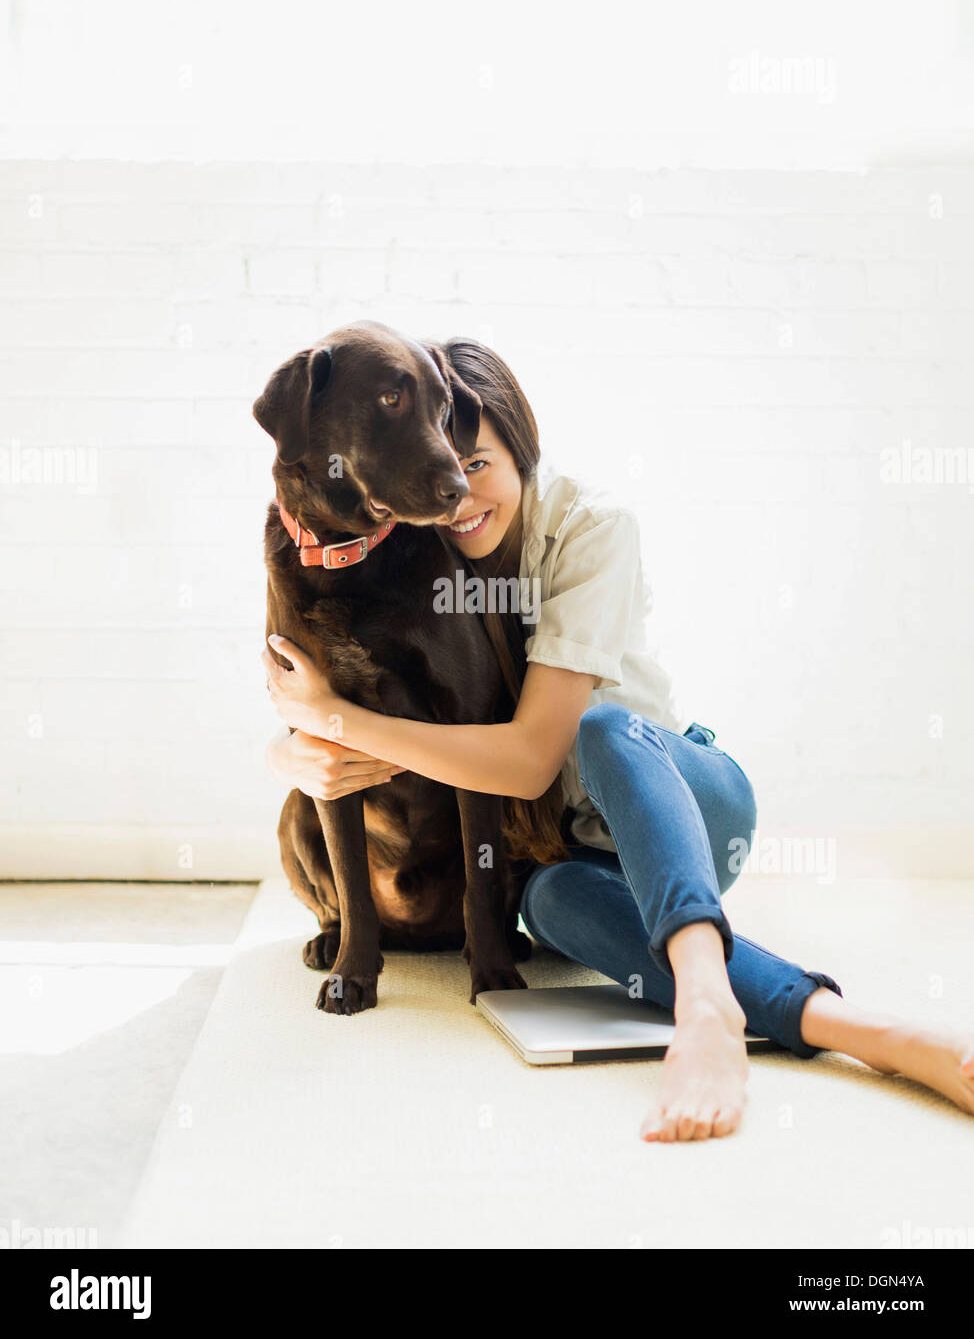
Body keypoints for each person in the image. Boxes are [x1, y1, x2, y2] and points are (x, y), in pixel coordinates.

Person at [262, 337, 974, 1144]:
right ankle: (880, 1036)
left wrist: (338, 723)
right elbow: (345, 708)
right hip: (578, 849)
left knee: (597, 729)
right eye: (444, 471)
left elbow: (531, 759)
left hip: (686, 801)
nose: (459, 494)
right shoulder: (429, 548)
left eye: (479, 464)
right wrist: (294, 746)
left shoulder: (592, 527)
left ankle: (707, 1009)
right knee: (549, 901)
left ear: (523, 450)